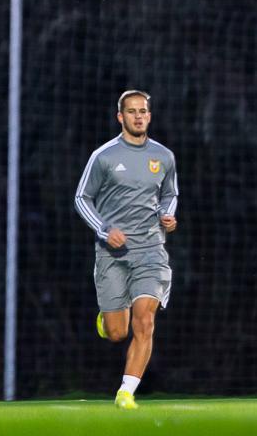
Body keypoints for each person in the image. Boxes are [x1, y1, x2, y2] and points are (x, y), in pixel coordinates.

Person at [75, 90, 179, 409]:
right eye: (131, 111)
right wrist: (105, 230)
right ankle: (107, 322)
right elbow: (82, 198)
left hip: (151, 250)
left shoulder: (164, 156)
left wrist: (167, 214)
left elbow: (170, 194)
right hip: (113, 253)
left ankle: (126, 392)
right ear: (120, 117)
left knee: (145, 320)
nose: (138, 116)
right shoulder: (104, 156)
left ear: (149, 116)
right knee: (118, 332)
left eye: (143, 111)